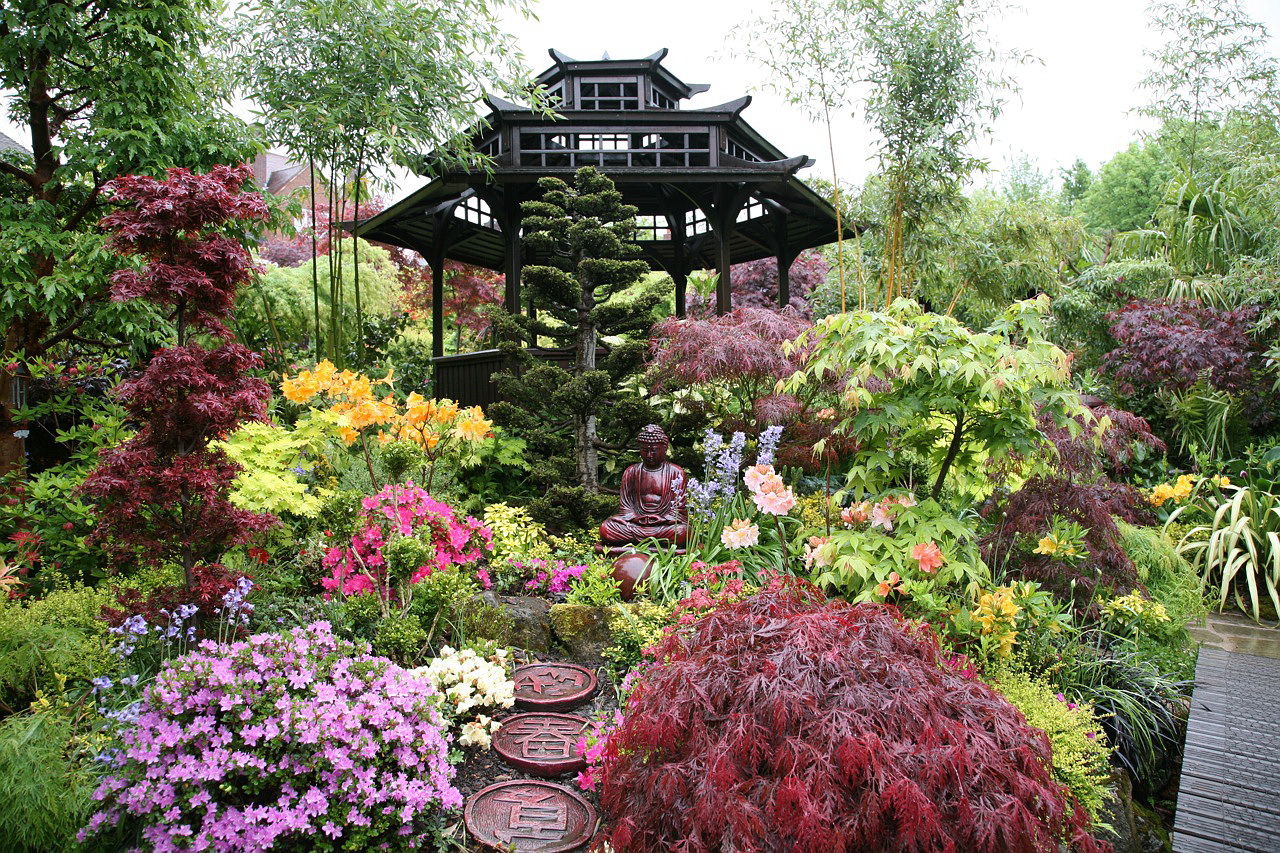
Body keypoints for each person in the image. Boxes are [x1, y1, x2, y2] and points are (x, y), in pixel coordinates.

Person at [600, 424, 688, 547]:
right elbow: (626, 506)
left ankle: (642, 541)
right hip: (636, 524)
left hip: (663, 524)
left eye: (654, 450)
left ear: (664, 448)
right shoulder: (631, 472)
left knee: (682, 531)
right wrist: (635, 518)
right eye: (645, 450)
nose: (649, 455)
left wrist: (663, 519)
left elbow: (679, 508)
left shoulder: (676, 472)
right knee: (606, 528)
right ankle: (653, 541)